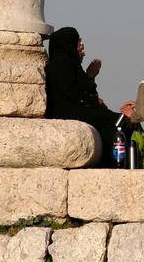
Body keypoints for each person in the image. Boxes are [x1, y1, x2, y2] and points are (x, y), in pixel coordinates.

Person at [45, 27, 121, 165]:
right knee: (115, 120)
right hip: (67, 111)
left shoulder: (71, 64)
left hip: (75, 109)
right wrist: (89, 78)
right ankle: (113, 162)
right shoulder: (61, 64)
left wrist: (90, 78)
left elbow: (84, 92)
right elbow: (73, 94)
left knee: (115, 118)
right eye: (78, 43)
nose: (82, 49)